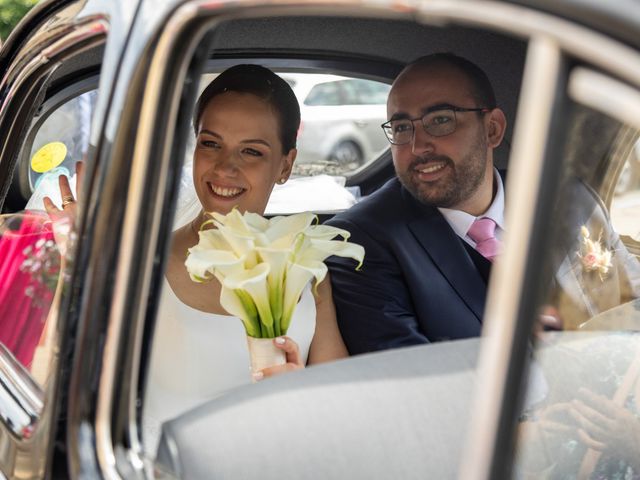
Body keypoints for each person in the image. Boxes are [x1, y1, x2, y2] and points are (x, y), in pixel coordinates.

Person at [45, 64, 349, 454]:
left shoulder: (309, 270)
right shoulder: (141, 263)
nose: (225, 167)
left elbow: (342, 408)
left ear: (286, 165)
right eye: (211, 143)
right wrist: (81, 263)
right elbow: (67, 383)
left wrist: (296, 394)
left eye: (252, 151)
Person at [326, 53, 508, 354]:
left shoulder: (567, 203)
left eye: (440, 120)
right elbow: (409, 382)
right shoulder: (357, 243)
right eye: (401, 128)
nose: (417, 146)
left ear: (492, 129)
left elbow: (609, 309)